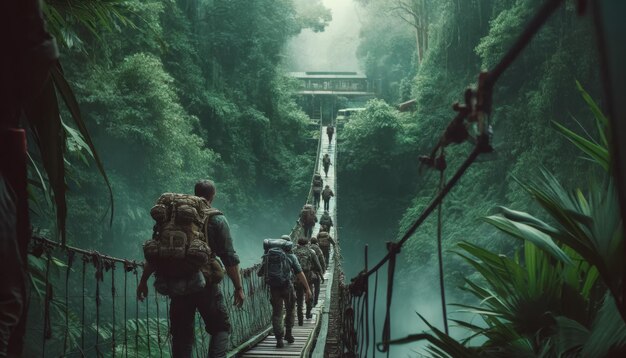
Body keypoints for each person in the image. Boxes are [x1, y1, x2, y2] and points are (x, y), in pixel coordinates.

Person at [137, 180, 244, 358]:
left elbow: (156, 253)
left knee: (181, 337)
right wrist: (238, 288)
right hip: (206, 286)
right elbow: (229, 258)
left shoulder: (172, 218)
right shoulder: (217, 218)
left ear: (195, 193)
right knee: (220, 328)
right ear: (213, 196)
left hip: (176, 286)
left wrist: (143, 282)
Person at [259, 238, 312, 348]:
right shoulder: (291, 256)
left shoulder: (269, 255)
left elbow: (260, 273)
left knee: (277, 313)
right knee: (290, 310)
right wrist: (307, 288)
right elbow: (299, 272)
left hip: (274, 288)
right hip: (287, 287)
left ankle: (279, 339)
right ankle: (288, 334)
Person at [293, 237, 323, 325]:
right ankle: (308, 313)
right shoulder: (311, 252)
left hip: (297, 278)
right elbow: (318, 265)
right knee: (309, 294)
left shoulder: (294, 251)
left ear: (298, 243)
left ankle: (300, 318)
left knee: (299, 298)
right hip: (308, 278)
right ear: (307, 243)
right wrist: (320, 274)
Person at [309, 237, 326, 306]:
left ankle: (310, 300)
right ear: (316, 242)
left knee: (309, 287)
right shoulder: (318, 249)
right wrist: (322, 273)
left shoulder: (308, 249)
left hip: (308, 272)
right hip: (316, 272)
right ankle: (315, 301)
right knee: (317, 287)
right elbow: (322, 261)